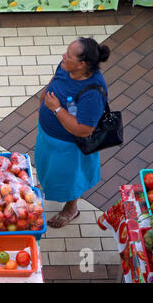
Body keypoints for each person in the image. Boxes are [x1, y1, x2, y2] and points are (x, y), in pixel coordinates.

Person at [34, 37, 110, 228]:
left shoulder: (92, 92)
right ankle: (46, 184)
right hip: (47, 137)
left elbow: (84, 130)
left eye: (68, 55)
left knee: (69, 178)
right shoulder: (66, 66)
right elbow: (56, 78)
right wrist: (45, 95)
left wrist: (57, 109)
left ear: (81, 64)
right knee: (47, 167)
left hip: (68, 147)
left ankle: (71, 208)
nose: (63, 56)